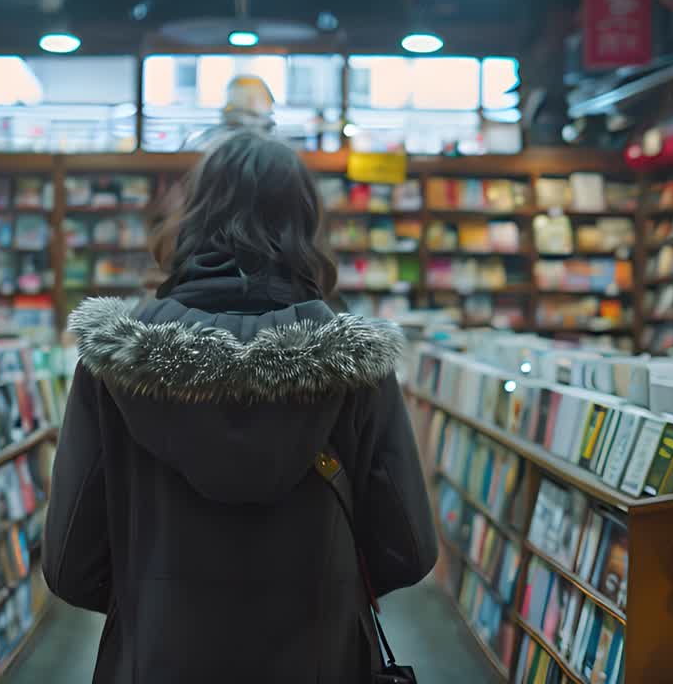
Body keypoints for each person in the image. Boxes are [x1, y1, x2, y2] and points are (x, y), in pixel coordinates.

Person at [44, 129, 438, 683]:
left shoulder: (114, 358)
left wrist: (154, 599)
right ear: (305, 224)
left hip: (157, 660)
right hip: (319, 660)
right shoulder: (355, 363)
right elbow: (408, 550)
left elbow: (70, 565)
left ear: (193, 217)